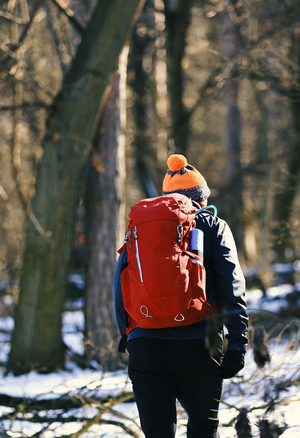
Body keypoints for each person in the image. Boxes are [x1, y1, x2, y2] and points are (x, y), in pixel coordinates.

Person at [113, 153, 249, 438]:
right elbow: (231, 286)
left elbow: (119, 284)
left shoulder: (138, 229)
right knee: (203, 428)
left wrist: (128, 335)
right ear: (202, 199)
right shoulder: (213, 226)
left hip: (145, 344)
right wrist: (237, 343)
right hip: (198, 342)